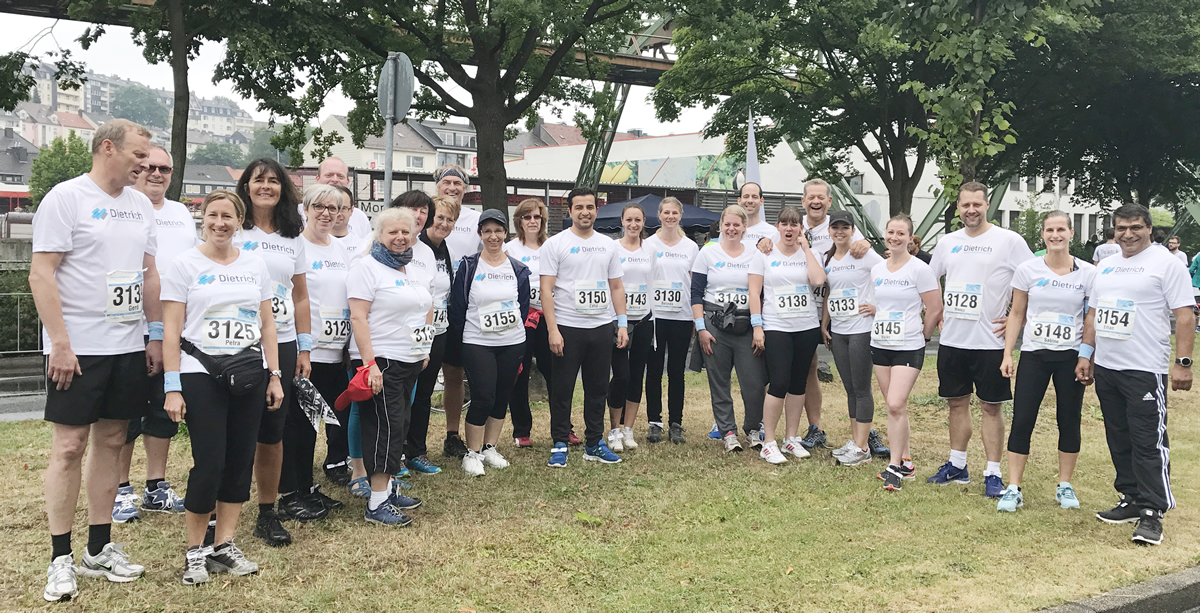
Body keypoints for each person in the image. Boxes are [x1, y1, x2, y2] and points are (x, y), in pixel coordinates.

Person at [32, 119, 160, 601]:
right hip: (78, 346)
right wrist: (59, 342)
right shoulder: (66, 198)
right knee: (69, 446)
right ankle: (59, 556)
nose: (145, 166)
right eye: (138, 156)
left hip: (127, 345)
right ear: (108, 148)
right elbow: (42, 274)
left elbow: (149, 275)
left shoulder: (139, 206)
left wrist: (153, 334)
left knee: (111, 439)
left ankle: (98, 548)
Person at [160, 189, 283, 584]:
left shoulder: (254, 264)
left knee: (239, 460)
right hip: (200, 373)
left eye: (227, 216)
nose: (219, 223)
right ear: (203, 219)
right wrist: (172, 386)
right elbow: (172, 329)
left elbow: (267, 324)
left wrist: (275, 375)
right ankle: (196, 550)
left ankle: (224, 545)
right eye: (213, 215)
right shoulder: (184, 265)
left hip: (248, 371)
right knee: (209, 462)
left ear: (238, 220)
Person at [1076, 204, 1194, 546]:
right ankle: (1129, 497)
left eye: (1135, 227)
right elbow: (1095, 314)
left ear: (1149, 228)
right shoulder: (1108, 266)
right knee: (1119, 435)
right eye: (1121, 228)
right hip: (1109, 366)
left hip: (1144, 367)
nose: (1128, 234)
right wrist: (1087, 354)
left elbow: (1185, 316)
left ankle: (1153, 511)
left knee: (1147, 440)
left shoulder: (1167, 264)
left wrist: (1183, 363)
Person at [927, 181, 1035, 498]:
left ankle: (993, 473)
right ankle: (957, 465)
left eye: (977, 204)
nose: (971, 210)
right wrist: (937, 310)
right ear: (958, 207)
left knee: (991, 408)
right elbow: (929, 279)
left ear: (987, 205)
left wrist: (1019, 314)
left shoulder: (1008, 241)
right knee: (956, 403)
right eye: (965, 205)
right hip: (953, 341)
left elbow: (1033, 277)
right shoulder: (948, 242)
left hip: (990, 342)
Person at [113, 145, 196, 523]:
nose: (156, 174)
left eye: (164, 168)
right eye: (148, 167)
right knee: (126, 410)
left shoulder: (180, 213)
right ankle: (119, 488)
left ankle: (156, 486)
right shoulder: (123, 206)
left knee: (164, 408)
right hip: (128, 326)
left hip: (174, 326)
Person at [235, 158, 314, 545]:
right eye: (258, 180)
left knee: (273, 429)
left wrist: (304, 346)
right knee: (235, 429)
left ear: (283, 188)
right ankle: (222, 506)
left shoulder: (292, 235)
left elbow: (300, 296)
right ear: (246, 186)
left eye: (273, 181)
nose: (266, 186)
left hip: (281, 342)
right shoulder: (232, 228)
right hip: (235, 344)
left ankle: (268, 511)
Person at [996, 211, 1094, 512]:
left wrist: (1085, 356)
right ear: (1042, 235)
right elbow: (1017, 313)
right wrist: (1007, 353)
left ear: (1070, 233)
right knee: (1023, 418)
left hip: (1070, 358)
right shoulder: (1028, 270)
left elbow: (1090, 317)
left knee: (1068, 419)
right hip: (1035, 355)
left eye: (1061, 229)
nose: (1055, 235)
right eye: (1050, 230)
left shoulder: (1088, 273)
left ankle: (1065, 485)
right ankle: (1013, 487)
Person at [346, 207, 431, 526]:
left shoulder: (410, 269)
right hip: (381, 361)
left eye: (405, 232)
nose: (399, 237)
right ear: (379, 235)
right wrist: (369, 365)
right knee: (385, 428)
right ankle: (376, 503)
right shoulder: (366, 268)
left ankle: (390, 487)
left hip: (409, 360)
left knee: (401, 427)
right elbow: (358, 317)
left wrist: (423, 350)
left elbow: (424, 307)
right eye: (392, 232)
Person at [277, 184, 352, 523]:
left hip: (337, 353)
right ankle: (291, 492)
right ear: (305, 209)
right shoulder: (297, 245)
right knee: (300, 425)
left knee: (321, 424)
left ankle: (307, 487)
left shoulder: (341, 248)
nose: (326, 213)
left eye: (333, 208)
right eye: (319, 206)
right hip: (307, 351)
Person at [541, 187, 629, 467]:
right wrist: (552, 329)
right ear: (570, 211)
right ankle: (559, 443)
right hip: (568, 326)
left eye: (589, 207)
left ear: (596, 210)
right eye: (578, 207)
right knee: (562, 388)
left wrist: (622, 323)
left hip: (601, 327)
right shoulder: (555, 244)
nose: (584, 212)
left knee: (597, 388)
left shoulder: (608, 245)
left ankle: (594, 442)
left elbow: (616, 286)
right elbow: (546, 289)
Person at [450, 209, 531, 475]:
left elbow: (522, 305)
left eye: (498, 231)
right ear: (480, 234)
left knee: (501, 396)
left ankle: (489, 447)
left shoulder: (517, 268)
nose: (493, 236)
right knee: (483, 395)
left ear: (505, 233)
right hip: (477, 341)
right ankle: (471, 453)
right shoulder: (470, 265)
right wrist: (460, 341)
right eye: (487, 231)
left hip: (512, 341)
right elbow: (459, 306)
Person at [793, 178, 872, 450]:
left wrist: (869, 244)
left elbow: (866, 252)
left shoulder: (842, 228)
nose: (816, 202)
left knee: (857, 378)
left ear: (829, 201)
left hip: (840, 310)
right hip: (803, 307)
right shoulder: (796, 225)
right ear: (803, 201)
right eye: (810, 197)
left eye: (821, 197)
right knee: (808, 367)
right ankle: (816, 427)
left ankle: (866, 431)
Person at [749, 205, 826, 464]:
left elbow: (817, 281)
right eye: (785, 224)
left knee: (798, 383)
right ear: (778, 227)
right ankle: (768, 441)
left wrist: (806, 249)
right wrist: (757, 326)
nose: (789, 228)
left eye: (795, 224)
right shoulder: (763, 254)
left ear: (801, 229)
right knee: (779, 382)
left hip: (805, 326)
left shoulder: (810, 253)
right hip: (776, 326)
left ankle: (791, 438)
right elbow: (754, 292)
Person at [871, 215, 942, 491]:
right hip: (880, 344)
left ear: (910, 239)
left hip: (908, 345)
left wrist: (923, 336)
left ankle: (894, 466)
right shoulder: (878, 269)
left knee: (895, 404)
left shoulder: (919, 269)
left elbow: (935, 307)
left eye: (901, 233)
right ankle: (907, 461)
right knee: (894, 407)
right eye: (891, 232)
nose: (895, 237)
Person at [692, 205, 768, 452]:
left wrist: (759, 327)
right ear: (721, 226)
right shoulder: (707, 254)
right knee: (719, 381)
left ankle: (753, 428)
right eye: (728, 224)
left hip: (747, 325)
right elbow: (695, 294)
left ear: (745, 227)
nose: (732, 229)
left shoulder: (756, 255)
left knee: (754, 383)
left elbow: (761, 291)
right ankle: (728, 431)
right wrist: (701, 329)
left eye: (737, 224)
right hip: (715, 326)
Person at [820, 211, 888, 466]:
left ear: (852, 230)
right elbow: (830, 292)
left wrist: (876, 306)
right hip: (839, 330)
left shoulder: (864, 254)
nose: (839, 231)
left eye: (845, 227)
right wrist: (825, 324)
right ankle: (855, 441)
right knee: (849, 388)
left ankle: (862, 447)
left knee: (861, 388)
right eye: (835, 227)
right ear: (829, 231)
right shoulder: (829, 258)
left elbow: (888, 276)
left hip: (861, 328)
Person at [387, 190, 444, 480]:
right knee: (383, 408)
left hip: (414, 344)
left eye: (423, 210)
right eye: (412, 208)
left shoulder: (426, 252)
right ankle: (362, 465)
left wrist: (425, 345)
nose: (418, 215)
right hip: (385, 343)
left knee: (409, 403)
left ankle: (404, 457)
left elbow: (429, 300)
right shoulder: (378, 245)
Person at [402, 194, 459, 476]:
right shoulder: (413, 245)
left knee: (424, 393)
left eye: (450, 220)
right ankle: (397, 451)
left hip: (437, 330)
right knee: (404, 394)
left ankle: (417, 451)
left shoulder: (441, 249)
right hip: (409, 331)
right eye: (440, 218)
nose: (444, 224)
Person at [433, 164, 481, 459]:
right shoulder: (425, 212)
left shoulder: (475, 219)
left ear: (466, 188)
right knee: (420, 374)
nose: (452, 187)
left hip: (461, 307)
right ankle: (408, 439)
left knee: (455, 373)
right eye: (446, 182)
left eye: (458, 183)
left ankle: (453, 434)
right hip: (428, 306)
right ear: (437, 185)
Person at [644, 197, 698, 444]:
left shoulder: (690, 246)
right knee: (654, 370)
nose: (670, 216)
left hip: (681, 315)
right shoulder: (648, 244)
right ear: (659, 215)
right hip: (655, 316)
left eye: (674, 212)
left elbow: (694, 281)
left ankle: (676, 422)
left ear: (680, 215)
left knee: (677, 371)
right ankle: (654, 421)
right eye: (666, 212)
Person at [504, 198, 554, 447]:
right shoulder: (509, 249)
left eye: (537, 217)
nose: (532, 221)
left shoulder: (553, 246)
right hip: (523, 320)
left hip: (551, 319)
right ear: (519, 221)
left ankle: (563, 427)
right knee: (519, 374)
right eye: (527, 217)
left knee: (556, 372)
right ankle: (521, 430)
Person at [607, 203, 655, 451]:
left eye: (638, 220)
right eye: (629, 220)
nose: (633, 225)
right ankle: (614, 428)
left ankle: (628, 429)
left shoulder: (651, 249)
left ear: (644, 221)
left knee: (637, 376)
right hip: (618, 321)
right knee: (621, 375)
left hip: (644, 319)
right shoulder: (613, 248)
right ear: (622, 222)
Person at [315, 156, 372, 239]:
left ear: (347, 181)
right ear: (317, 179)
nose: (335, 180)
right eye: (329, 175)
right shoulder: (300, 213)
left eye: (340, 176)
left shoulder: (359, 217)